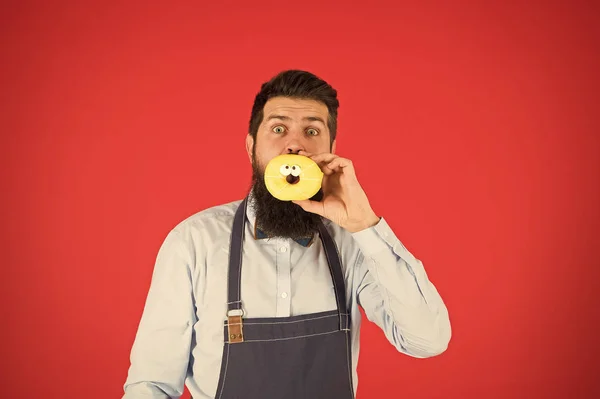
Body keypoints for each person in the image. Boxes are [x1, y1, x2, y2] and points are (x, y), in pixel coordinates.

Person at [122, 70, 452, 399]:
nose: (295, 144)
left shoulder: (353, 242)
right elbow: (150, 385)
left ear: (332, 149)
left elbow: (426, 341)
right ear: (252, 146)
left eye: (312, 130)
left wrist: (365, 223)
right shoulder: (194, 241)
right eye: (278, 128)